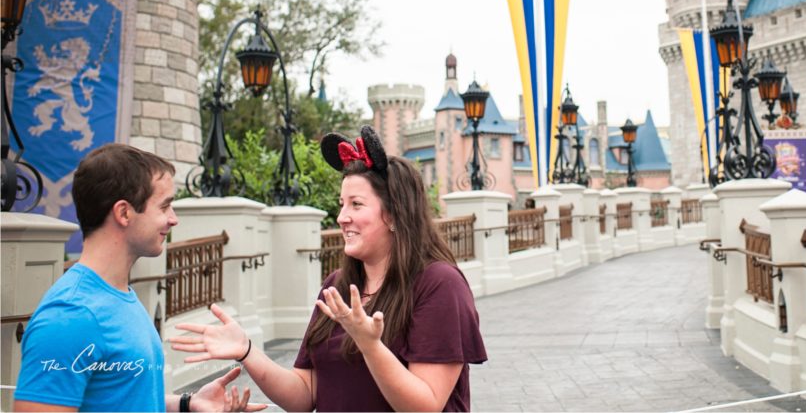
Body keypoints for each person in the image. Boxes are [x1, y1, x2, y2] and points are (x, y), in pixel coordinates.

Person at [170, 126, 487, 412]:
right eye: (341, 204)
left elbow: (425, 406)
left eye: (356, 204)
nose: (341, 217)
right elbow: (304, 395)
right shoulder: (337, 286)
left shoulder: (439, 284)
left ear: (393, 215)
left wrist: (370, 346)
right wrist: (248, 350)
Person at [14, 143, 265, 413]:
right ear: (124, 213)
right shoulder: (71, 315)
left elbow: (121, 398)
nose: (173, 219)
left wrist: (187, 404)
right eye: (165, 206)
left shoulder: (118, 295)